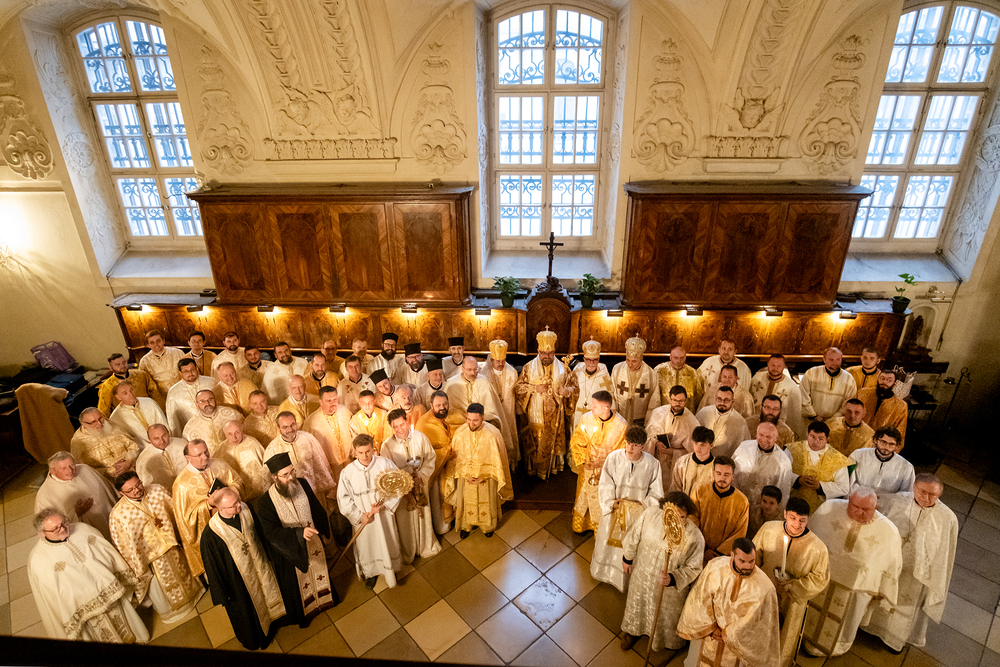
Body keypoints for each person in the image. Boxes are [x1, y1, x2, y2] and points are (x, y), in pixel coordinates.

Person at [863, 474, 958, 654]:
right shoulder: (897, 501)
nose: (926, 497)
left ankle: (894, 639)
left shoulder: (947, 518)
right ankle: (869, 627)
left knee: (904, 606)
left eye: (933, 494)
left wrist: (936, 575)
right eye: (922, 491)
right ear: (914, 487)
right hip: (891, 564)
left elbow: (946, 552)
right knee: (881, 595)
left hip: (916, 574)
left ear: (940, 494)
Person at [804, 487, 902, 657]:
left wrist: (882, 589)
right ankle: (805, 635)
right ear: (848, 499)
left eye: (866, 509)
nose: (860, 512)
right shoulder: (829, 508)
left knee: (849, 614)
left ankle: (840, 645)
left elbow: (892, 564)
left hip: (856, 587)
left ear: (876, 507)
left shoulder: (889, 531)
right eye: (855, 506)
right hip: (824, 576)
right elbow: (810, 536)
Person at [28, 509, 150, 643]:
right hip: (82, 607)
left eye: (63, 523)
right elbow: (51, 594)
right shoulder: (39, 559)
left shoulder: (83, 530)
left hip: (111, 593)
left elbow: (107, 553)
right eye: (55, 529)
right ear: (42, 534)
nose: (62, 529)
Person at [109, 472, 204, 624]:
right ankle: (172, 612)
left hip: (171, 545)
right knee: (160, 584)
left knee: (181, 569)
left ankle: (194, 595)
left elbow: (174, 511)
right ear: (121, 493)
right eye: (130, 490)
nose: (137, 490)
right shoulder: (118, 515)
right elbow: (123, 544)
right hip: (150, 559)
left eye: (138, 484)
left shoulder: (157, 491)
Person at [256, 453, 338, 627]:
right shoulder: (265, 503)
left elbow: (315, 507)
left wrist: (323, 529)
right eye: (285, 475)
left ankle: (325, 600)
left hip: (313, 542)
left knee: (319, 570)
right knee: (297, 585)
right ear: (274, 477)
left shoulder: (303, 484)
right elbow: (271, 533)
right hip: (290, 551)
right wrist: (299, 533)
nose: (291, 477)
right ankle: (304, 613)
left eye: (292, 471)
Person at [200, 486, 286, 650]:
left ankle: (276, 621)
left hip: (259, 564)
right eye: (233, 505)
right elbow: (213, 567)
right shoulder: (211, 534)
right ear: (220, 508)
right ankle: (257, 637)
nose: (239, 505)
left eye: (238, 500)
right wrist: (223, 594)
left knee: (268, 590)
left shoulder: (246, 510)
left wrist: (272, 556)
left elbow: (260, 533)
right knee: (248, 608)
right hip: (238, 581)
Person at [620, 492, 704, 656]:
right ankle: (633, 631)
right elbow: (634, 535)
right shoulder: (650, 514)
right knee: (638, 606)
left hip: (667, 590)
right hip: (642, 577)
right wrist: (627, 558)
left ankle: (663, 641)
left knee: (662, 617)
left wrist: (674, 578)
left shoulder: (695, 537)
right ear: (664, 510)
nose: (677, 521)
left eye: (682, 517)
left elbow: (694, 567)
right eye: (673, 515)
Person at [677, 538, 780, 667]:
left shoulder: (765, 587)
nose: (748, 566)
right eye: (742, 561)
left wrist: (728, 634)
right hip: (710, 634)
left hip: (737, 643)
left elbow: (759, 623)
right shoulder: (715, 568)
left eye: (751, 561)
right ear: (732, 555)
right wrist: (711, 628)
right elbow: (701, 599)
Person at [753, 497, 830, 667]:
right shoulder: (768, 529)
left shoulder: (817, 548)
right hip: (764, 593)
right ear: (785, 514)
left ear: (808, 519)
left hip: (792, 602)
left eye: (802, 520)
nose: (797, 524)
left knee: (784, 638)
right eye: (793, 518)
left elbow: (819, 579)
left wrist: (791, 586)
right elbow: (755, 556)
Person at [590, 425, 663, 591]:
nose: (630, 447)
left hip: (638, 515)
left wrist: (644, 505)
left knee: (632, 545)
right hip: (615, 510)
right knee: (609, 545)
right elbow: (605, 482)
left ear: (643, 446)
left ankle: (628, 579)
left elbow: (656, 491)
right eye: (628, 443)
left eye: (635, 445)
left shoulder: (653, 464)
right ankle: (606, 573)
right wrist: (611, 502)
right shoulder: (613, 458)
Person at [337, 434, 403, 589]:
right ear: (354, 452)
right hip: (365, 520)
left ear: (373, 448)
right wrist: (359, 516)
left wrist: (383, 506)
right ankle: (371, 573)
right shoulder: (347, 473)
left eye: (368, 451)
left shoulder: (384, 464)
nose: (365, 456)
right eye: (360, 453)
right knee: (367, 546)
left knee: (388, 541)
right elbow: (343, 499)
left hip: (384, 516)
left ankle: (390, 569)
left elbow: (398, 486)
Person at [172, 439, 244, 578]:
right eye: (199, 455)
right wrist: (208, 504)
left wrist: (228, 493)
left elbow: (238, 481)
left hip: (234, 523)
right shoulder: (181, 485)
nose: (205, 457)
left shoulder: (220, 464)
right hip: (213, 535)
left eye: (206, 452)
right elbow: (185, 520)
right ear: (188, 458)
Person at [515, 329, 577, 479]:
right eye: (543, 353)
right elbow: (518, 388)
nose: (547, 356)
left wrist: (567, 391)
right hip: (535, 416)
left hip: (556, 417)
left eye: (550, 353)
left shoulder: (564, 368)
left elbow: (575, 388)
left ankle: (553, 468)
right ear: (538, 351)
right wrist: (533, 389)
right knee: (536, 441)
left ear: (554, 351)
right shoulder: (528, 367)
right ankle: (534, 469)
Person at [382, 408, 441, 563]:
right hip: (402, 492)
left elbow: (430, 458)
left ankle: (425, 546)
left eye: (402, 425)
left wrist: (421, 475)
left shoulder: (420, 437)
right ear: (390, 426)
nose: (399, 429)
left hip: (420, 485)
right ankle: (409, 551)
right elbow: (387, 473)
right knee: (405, 521)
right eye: (395, 427)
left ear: (407, 421)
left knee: (423, 515)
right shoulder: (386, 446)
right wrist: (404, 488)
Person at [444, 403, 512, 538]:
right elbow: (454, 461)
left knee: (487, 502)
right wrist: (465, 474)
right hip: (466, 479)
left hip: (487, 480)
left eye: (475, 420)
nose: (471, 424)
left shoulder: (493, 434)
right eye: (468, 419)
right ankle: (466, 526)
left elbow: (500, 460)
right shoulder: (460, 433)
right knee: (466, 502)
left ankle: (488, 527)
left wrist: (485, 475)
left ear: (483, 418)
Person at [569, 390, 629, 534]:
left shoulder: (621, 425)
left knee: (603, 499)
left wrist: (608, 467)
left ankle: (600, 530)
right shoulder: (586, 419)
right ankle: (582, 525)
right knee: (584, 496)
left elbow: (622, 452)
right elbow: (576, 442)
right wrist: (584, 460)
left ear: (605, 408)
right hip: (588, 468)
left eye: (595, 405)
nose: (591, 407)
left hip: (608, 472)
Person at [415, 390, 465, 535]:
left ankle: (461, 519)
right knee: (440, 500)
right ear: (431, 405)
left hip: (458, 465)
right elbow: (423, 452)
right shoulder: (423, 423)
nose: (442, 408)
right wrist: (445, 453)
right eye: (438, 405)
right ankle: (445, 525)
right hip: (438, 471)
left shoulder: (457, 415)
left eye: (445, 404)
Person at [265, 412, 337, 513]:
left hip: (314, 493)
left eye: (292, 425)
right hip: (291, 498)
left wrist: (328, 490)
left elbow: (321, 465)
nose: (290, 429)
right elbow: (270, 480)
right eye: (285, 427)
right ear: (278, 428)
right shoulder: (272, 449)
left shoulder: (308, 439)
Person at [35, 451, 117, 540]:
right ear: (52, 471)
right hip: (84, 536)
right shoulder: (44, 495)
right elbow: (48, 528)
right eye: (64, 468)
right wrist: (76, 514)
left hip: (110, 522)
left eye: (72, 465)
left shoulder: (85, 469)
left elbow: (108, 489)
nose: (70, 470)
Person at [690, 456, 749, 564]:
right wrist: (703, 548)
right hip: (698, 552)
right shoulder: (700, 492)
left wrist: (718, 553)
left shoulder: (742, 501)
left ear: (733, 476)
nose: (722, 478)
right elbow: (692, 520)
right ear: (713, 473)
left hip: (724, 558)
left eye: (726, 475)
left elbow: (739, 532)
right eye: (719, 473)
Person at [786, 421, 853, 512]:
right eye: (812, 437)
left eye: (820, 439)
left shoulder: (837, 459)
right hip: (793, 503)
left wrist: (821, 486)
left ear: (827, 439)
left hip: (821, 509)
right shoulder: (792, 450)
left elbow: (843, 488)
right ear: (807, 434)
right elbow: (781, 473)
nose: (815, 442)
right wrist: (797, 479)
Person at [732, 422, 794, 512]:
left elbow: (783, 492)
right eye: (761, 435)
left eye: (768, 437)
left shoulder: (783, 462)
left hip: (763, 510)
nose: (764, 439)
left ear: (776, 438)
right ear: (756, 434)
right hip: (736, 502)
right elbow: (731, 471)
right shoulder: (744, 448)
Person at [645, 385, 701, 480]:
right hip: (657, 459)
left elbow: (694, 451)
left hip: (677, 465)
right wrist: (656, 443)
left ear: (686, 401)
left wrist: (674, 452)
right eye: (674, 400)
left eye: (680, 401)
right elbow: (648, 437)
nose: (677, 404)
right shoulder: (658, 413)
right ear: (669, 399)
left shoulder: (692, 421)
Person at [70, 407, 139, 481]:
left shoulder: (112, 425)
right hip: (107, 479)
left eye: (100, 418)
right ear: (83, 424)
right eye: (93, 422)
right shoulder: (78, 441)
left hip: (131, 467)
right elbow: (83, 469)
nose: (99, 424)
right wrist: (111, 472)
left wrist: (128, 461)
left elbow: (133, 446)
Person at [303, 385, 353, 480]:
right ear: (320, 402)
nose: (333, 403)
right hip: (330, 468)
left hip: (350, 462)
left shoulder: (345, 412)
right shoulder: (311, 423)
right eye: (329, 401)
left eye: (335, 399)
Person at [609, 335, 661, 426]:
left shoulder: (651, 374)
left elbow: (654, 401)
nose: (630, 364)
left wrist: (649, 423)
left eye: (634, 361)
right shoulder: (617, 369)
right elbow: (611, 392)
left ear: (641, 359)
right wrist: (612, 416)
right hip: (619, 417)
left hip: (640, 421)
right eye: (628, 360)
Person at [749, 354, 805, 437]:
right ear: (768, 364)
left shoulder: (792, 388)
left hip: (778, 428)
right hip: (755, 425)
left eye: (779, 366)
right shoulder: (757, 378)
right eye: (773, 365)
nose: (775, 368)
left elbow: (795, 415)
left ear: (784, 367)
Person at [482, 340, 519, 463]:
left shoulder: (512, 372)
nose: (501, 364)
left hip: (508, 412)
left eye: (503, 360)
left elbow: (517, 393)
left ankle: (511, 462)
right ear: (492, 360)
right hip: (493, 412)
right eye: (498, 361)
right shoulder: (483, 374)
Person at [851, 427, 914, 496]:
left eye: (891, 444)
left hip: (889, 502)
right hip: (858, 498)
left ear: (897, 446)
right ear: (875, 440)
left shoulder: (906, 467)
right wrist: (866, 495)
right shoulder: (857, 455)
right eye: (883, 442)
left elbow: (907, 493)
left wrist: (884, 498)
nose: (886, 447)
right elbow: (849, 482)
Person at [799, 347, 858, 423]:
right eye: (831, 360)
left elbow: (848, 403)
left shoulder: (849, 379)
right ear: (824, 359)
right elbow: (803, 396)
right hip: (810, 420)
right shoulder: (811, 373)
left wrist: (833, 419)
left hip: (835, 422)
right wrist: (813, 415)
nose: (835, 363)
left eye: (838, 359)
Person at [856, 369, 909, 449]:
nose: (884, 382)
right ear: (877, 379)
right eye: (882, 378)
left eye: (889, 380)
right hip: (857, 439)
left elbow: (899, 434)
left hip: (880, 446)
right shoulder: (862, 394)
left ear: (894, 384)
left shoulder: (901, 406)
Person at [182, 390, 244, 456]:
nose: (207, 403)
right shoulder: (189, 428)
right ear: (197, 405)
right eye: (203, 401)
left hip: (237, 456)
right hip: (210, 461)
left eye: (210, 399)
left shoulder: (232, 414)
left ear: (215, 400)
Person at [222, 420, 272, 502]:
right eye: (230, 434)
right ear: (225, 434)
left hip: (257, 496)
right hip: (234, 498)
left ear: (242, 429)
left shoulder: (254, 445)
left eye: (237, 432)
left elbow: (267, 470)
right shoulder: (221, 449)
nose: (234, 437)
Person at [695, 386, 751, 457]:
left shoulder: (740, 422)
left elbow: (744, 450)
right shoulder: (703, 413)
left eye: (726, 400)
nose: (722, 403)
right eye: (719, 399)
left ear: (732, 401)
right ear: (715, 398)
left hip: (723, 461)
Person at [165, 358, 216, 435]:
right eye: (186, 371)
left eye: (192, 369)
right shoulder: (173, 392)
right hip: (192, 432)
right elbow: (173, 420)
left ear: (196, 368)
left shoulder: (211, 382)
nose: (190, 373)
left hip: (214, 426)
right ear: (180, 373)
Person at [110, 380, 167, 445]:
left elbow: (164, 423)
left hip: (164, 441)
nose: (131, 394)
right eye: (125, 393)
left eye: (131, 390)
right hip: (142, 448)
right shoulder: (116, 418)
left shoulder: (149, 402)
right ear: (118, 397)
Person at [571, 339, 613, 429]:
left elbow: (609, 400)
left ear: (598, 360)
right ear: (584, 359)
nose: (591, 363)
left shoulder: (604, 376)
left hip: (595, 418)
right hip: (577, 416)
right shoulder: (577, 373)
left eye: (595, 360)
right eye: (588, 360)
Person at [135, 423, 187, 489]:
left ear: (168, 433)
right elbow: (146, 485)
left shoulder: (183, 445)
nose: (162, 441)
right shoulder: (143, 460)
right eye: (156, 438)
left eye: (164, 435)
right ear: (149, 440)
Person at [138, 329, 185, 400]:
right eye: (152, 342)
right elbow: (143, 382)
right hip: (161, 397)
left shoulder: (178, 353)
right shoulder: (144, 361)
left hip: (181, 391)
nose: (156, 344)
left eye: (158, 341)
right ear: (148, 345)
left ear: (163, 340)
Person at [654, 346, 704, 412]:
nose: (678, 361)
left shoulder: (693, 373)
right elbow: (654, 394)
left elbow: (698, 395)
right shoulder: (659, 371)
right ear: (670, 357)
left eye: (682, 358)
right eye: (676, 358)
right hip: (664, 412)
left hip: (686, 413)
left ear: (685, 358)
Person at [669, 426, 716, 495]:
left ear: (711, 445)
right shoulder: (682, 462)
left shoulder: (717, 467)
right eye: (696, 443)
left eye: (702, 445)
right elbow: (675, 488)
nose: (698, 448)